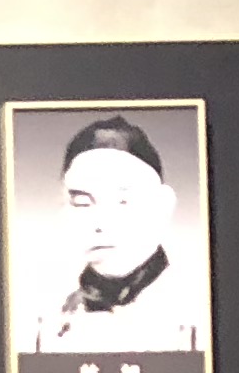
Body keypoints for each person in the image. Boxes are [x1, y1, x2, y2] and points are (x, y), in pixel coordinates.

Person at [26, 115, 205, 352]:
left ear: (163, 206)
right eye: (82, 203)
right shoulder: (53, 320)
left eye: (123, 201)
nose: (101, 222)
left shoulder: (199, 311)